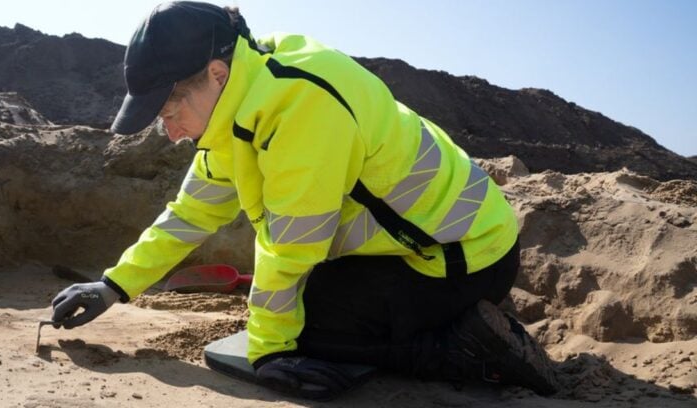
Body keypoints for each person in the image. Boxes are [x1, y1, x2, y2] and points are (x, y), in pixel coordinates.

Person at [50, 1, 557, 400]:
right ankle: (437, 320)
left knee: (311, 333)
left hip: (464, 257)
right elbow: (192, 211)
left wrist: (269, 353)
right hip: (425, 245)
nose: (171, 132)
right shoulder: (239, 105)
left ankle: (470, 350)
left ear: (216, 74)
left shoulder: (300, 107)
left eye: (169, 108)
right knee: (299, 309)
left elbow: (291, 247)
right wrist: (114, 286)